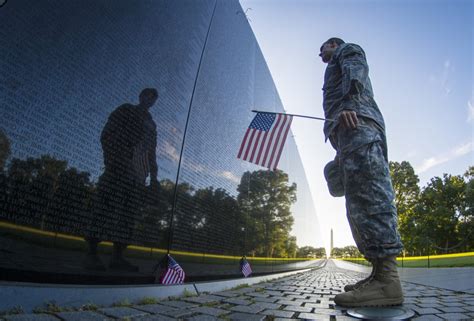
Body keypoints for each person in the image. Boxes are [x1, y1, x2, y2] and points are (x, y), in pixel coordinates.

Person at [319, 38, 404, 307]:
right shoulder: (333, 62)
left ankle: (388, 282)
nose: (320, 53)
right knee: (357, 201)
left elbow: (356, 69)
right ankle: (379, 276)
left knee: (370, 197)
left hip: (357, 125)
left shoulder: (347, 50)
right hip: (350, 134)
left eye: (323, 48)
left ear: (334, 44)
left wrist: (349, 104)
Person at [84, 88, 159, 272]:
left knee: (128, 215)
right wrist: (114, 160)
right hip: (118, 167)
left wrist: (154, 176)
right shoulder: (126, 110)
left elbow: (151, 151)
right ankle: (91, 253)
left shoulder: (151, 124)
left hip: (138, 176)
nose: (150, 100)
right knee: (105, 207)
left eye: (154, 98)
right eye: (148, 95)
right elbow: (107, 134)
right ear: (141, 96)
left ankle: (118, 256)